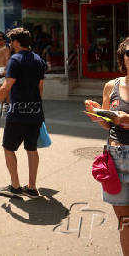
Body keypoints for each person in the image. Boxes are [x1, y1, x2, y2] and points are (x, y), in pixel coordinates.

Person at [84, 37, 129, 256]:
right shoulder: (112, 86)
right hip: (116, 158)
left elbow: (122, 120)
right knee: (124, 221)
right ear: (123, 57)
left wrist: (126, 119)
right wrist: (95, 113)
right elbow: (106, 123)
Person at [0, 27, 46, 199]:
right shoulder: (39, 60)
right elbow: (40, 87)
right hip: (35, 111)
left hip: (18, 112)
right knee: (31, 149)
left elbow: (7, 85)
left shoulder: (15, 59)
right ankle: (32, 188)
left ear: (16, 42)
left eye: (11, 41)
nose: (10, 45)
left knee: (8, 148)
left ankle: (15, 187)